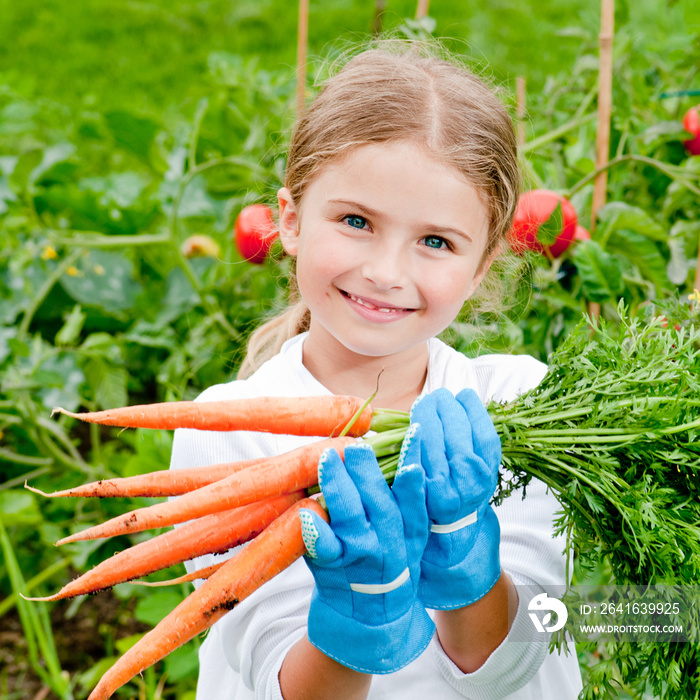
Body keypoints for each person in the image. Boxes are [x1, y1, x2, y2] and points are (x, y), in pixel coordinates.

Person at [169, 39, 583, 700]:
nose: (387, 273)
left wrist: (468, 568)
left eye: (436, 242)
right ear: (291, 221)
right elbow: (280, 682)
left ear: (480, 269)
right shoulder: (225, 432)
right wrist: (357, 623)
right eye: (356, 221)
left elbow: (525, 657)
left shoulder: (522, 406)